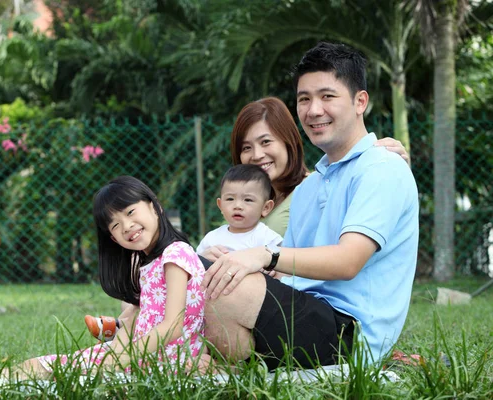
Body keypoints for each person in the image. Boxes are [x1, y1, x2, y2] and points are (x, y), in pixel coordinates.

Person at [85, 97, 409, 341]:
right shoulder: (241, 201)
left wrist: (375, 153)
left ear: (289, 141)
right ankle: (129, 326)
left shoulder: (315, 188)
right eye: (246, 147)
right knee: (172, 262)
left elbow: (348, 191)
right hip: (246, 294)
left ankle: (131, 334)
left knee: (182, 266)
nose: (256, 155)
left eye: (266, 142)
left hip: (284, 301)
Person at [201, 42, 419, 370]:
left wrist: (264, 255)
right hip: (303, 313)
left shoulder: (382, 167)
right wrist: (243, 263)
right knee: (187, 267)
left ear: (360, 101)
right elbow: (291, 276)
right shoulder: (309, 188)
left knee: (203, 278)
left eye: (327, 96)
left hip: (348, 334)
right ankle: (218, 360)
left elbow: (348, 261)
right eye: (304, 99)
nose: (314, 109)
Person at [0, 176, 206, 383]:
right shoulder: (150, 263)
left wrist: (120, 358)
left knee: (30, 371)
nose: (127, 225)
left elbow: (172, 325)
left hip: (156, 366)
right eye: (114, 225)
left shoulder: (176, 253)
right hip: (143, 358)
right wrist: (115, 347)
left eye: (131, 211)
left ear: (155, 206)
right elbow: (143, 324)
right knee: (27, 368)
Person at [195, 164, 282, 256]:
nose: (237, 206)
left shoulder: (268, 239)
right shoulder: (211, 239)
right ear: (220, 205)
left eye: (248, 200)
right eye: (230, 199)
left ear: (266, 208)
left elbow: (282, 265)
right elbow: (194, 265)